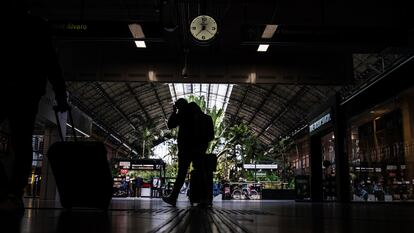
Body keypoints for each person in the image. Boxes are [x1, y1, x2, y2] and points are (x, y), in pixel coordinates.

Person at [0, 4, 70, 213]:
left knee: (22, 143)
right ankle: (13, 193)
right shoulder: (38, 26)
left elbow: (50, 61)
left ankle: (8, 190)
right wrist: (60, 94)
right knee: (22, 142)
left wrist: (60, 93)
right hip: (27, 92)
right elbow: (51, 62)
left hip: (10, 89)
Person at [162, 99, 213, 206]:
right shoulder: (207, 118)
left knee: (181, 173)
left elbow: (170, 125)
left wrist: (174, 112)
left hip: (185, 150)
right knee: (201, 172)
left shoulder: (184, 115)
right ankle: (206, 198)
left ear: (182, 107)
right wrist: (201, 144)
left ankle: (173, 197)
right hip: (199, 150)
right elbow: (211, 136)